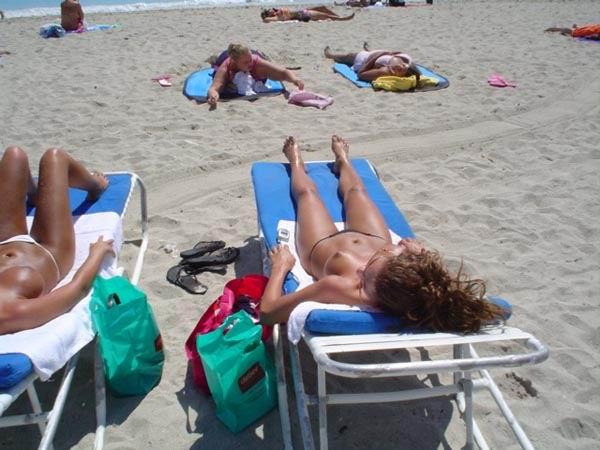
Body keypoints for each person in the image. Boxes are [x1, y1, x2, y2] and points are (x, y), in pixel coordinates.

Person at [260, 135, 504, 333]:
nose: (360, 269)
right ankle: (343, 161)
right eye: (392, 253)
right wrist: (421, 254)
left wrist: (280, 267)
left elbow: (269, 312)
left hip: (323, 245)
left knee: (308, 195)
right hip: (373, 237)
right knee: (357, 191)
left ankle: (296, 163)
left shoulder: (338, 287)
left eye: (364, 275)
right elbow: (439, 283)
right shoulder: (414, 290)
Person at [0, 147, 114, 335]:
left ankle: (33, 194)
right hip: (49, 251)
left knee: (14, 154)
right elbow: (76, 290)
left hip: (5, 240)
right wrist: (97, 253)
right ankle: (95, 186)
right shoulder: (9, 315)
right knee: (54, 157)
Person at [207, 43, 305, 108]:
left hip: (255, 55)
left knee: (261, 60)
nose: (250, 63)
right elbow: (214, 88)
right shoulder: (226, 67)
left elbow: (283, 73)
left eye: (250, 60)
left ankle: (260, 53)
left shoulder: (256, 62)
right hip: (225, 57)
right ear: (234, 62)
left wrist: (295, 80)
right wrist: (213, 97)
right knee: (216, 61)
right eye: (246, 62)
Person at [324, 42, 421, 83]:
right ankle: (370, 50)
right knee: (377, 53)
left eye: (400, 71)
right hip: (379, 54)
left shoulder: (385, 71)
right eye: (403, 66)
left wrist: (377, 56)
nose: (399, 67)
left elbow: (361, 75)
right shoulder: (408, 60)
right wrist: (388, 53)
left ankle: (330, 55)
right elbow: (398, 53)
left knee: (348, 56)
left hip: (363, 59)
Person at [261, 6, 355, 22]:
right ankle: (343, 19)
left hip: (303, 10)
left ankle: (338, 16)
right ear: (268, 15)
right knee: (326, 16)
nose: (271, 10)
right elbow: (266, 20)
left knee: (323, 8)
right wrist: (265, 18)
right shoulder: (276, 17)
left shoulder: (276, 11)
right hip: (302, 14)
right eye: (269, 11)